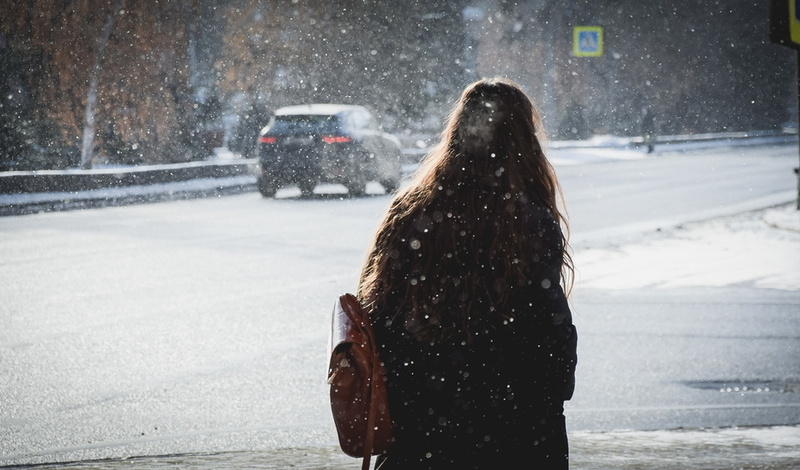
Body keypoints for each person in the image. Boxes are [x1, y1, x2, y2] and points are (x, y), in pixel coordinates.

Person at [356, 78, 577, 469]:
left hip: (422, 421)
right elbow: (548, 324)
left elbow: (376, 311)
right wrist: (552, 391)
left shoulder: (411, 210)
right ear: (523, 143)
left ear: (456, 132)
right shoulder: (528, 219)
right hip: (513, 422)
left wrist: (411, 384)